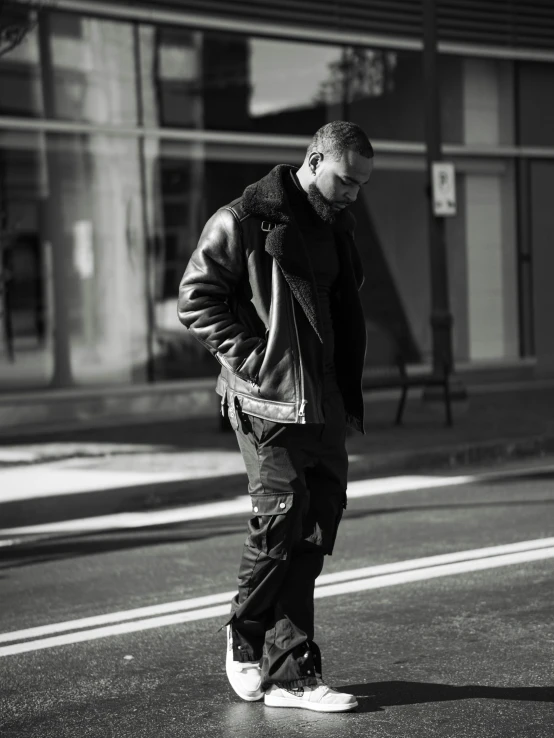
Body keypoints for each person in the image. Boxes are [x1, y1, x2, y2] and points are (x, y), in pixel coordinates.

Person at [178, 121, 373, 712]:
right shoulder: (243, 219)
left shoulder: (338, 223)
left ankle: (291, 675)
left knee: (315, 530)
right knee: (279, 524)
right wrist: (256, 360)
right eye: (346, 180)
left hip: (324, 403)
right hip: (269, 402)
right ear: (315, 160)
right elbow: (195, 298)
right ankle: (244, 633)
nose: (353, 194)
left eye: (362, 185)